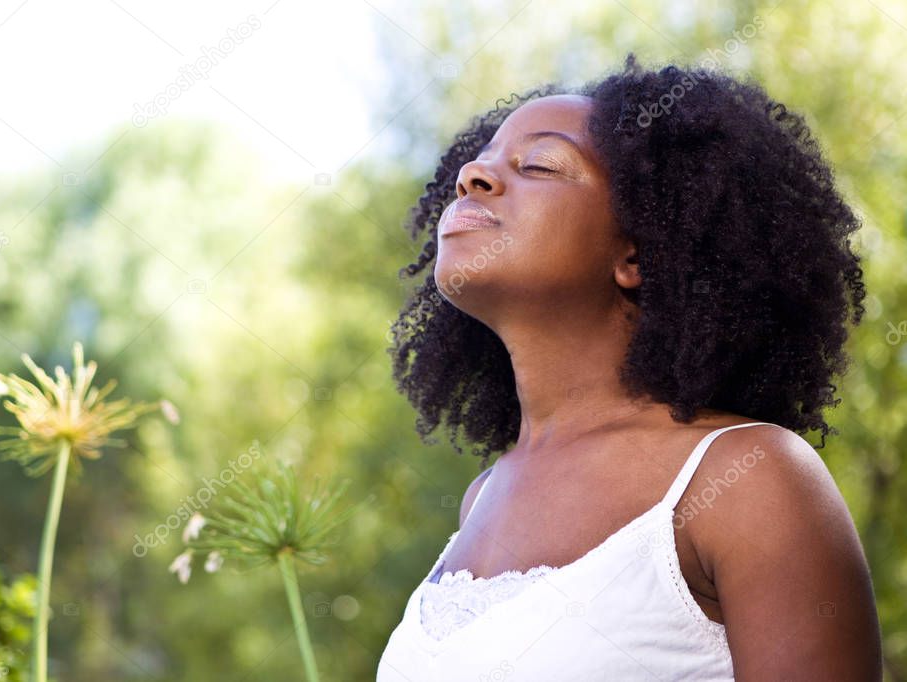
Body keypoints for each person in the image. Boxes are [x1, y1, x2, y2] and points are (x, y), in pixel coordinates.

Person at [378, 55, 882, 681]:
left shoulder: (749, 479)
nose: (472, 177)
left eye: (539, 164)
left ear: (638, 252)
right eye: (474, 163)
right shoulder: (484, 497)